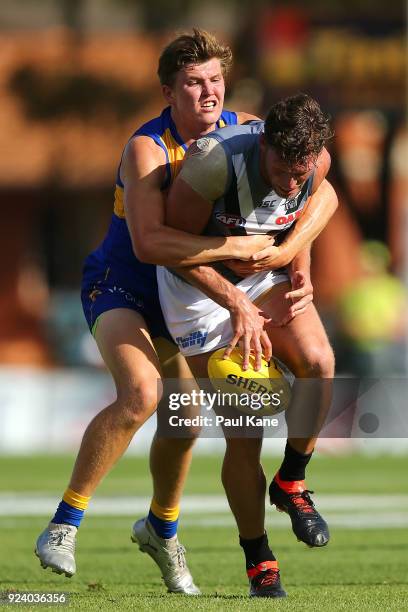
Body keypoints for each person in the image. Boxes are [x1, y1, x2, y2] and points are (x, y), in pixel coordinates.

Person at [35, 29, 337, 595]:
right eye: (194, 83)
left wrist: (296, 259)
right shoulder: (148, 148)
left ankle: (162, 529)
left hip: (198, 287)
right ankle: (65, 523)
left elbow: (304, 196)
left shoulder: (254, 133)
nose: (208, 93)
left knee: (188, 420)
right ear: (167, 91)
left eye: (215, 80)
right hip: (127, 286)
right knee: (143, 397)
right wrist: (234, 254)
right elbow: (150, 243)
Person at [157, 93, 337, 598]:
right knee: (247, 427)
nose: (289, 181)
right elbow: (171, 250)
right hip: (198, 292)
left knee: (320, 361)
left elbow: (310, 214)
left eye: (300, 171)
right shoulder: (214, 164)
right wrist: (235, 303)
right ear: (264, 145)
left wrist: (299, 270)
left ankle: (292, 482)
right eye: (281, 167)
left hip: (263, 274)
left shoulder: (312, 161)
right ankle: (257, 554)